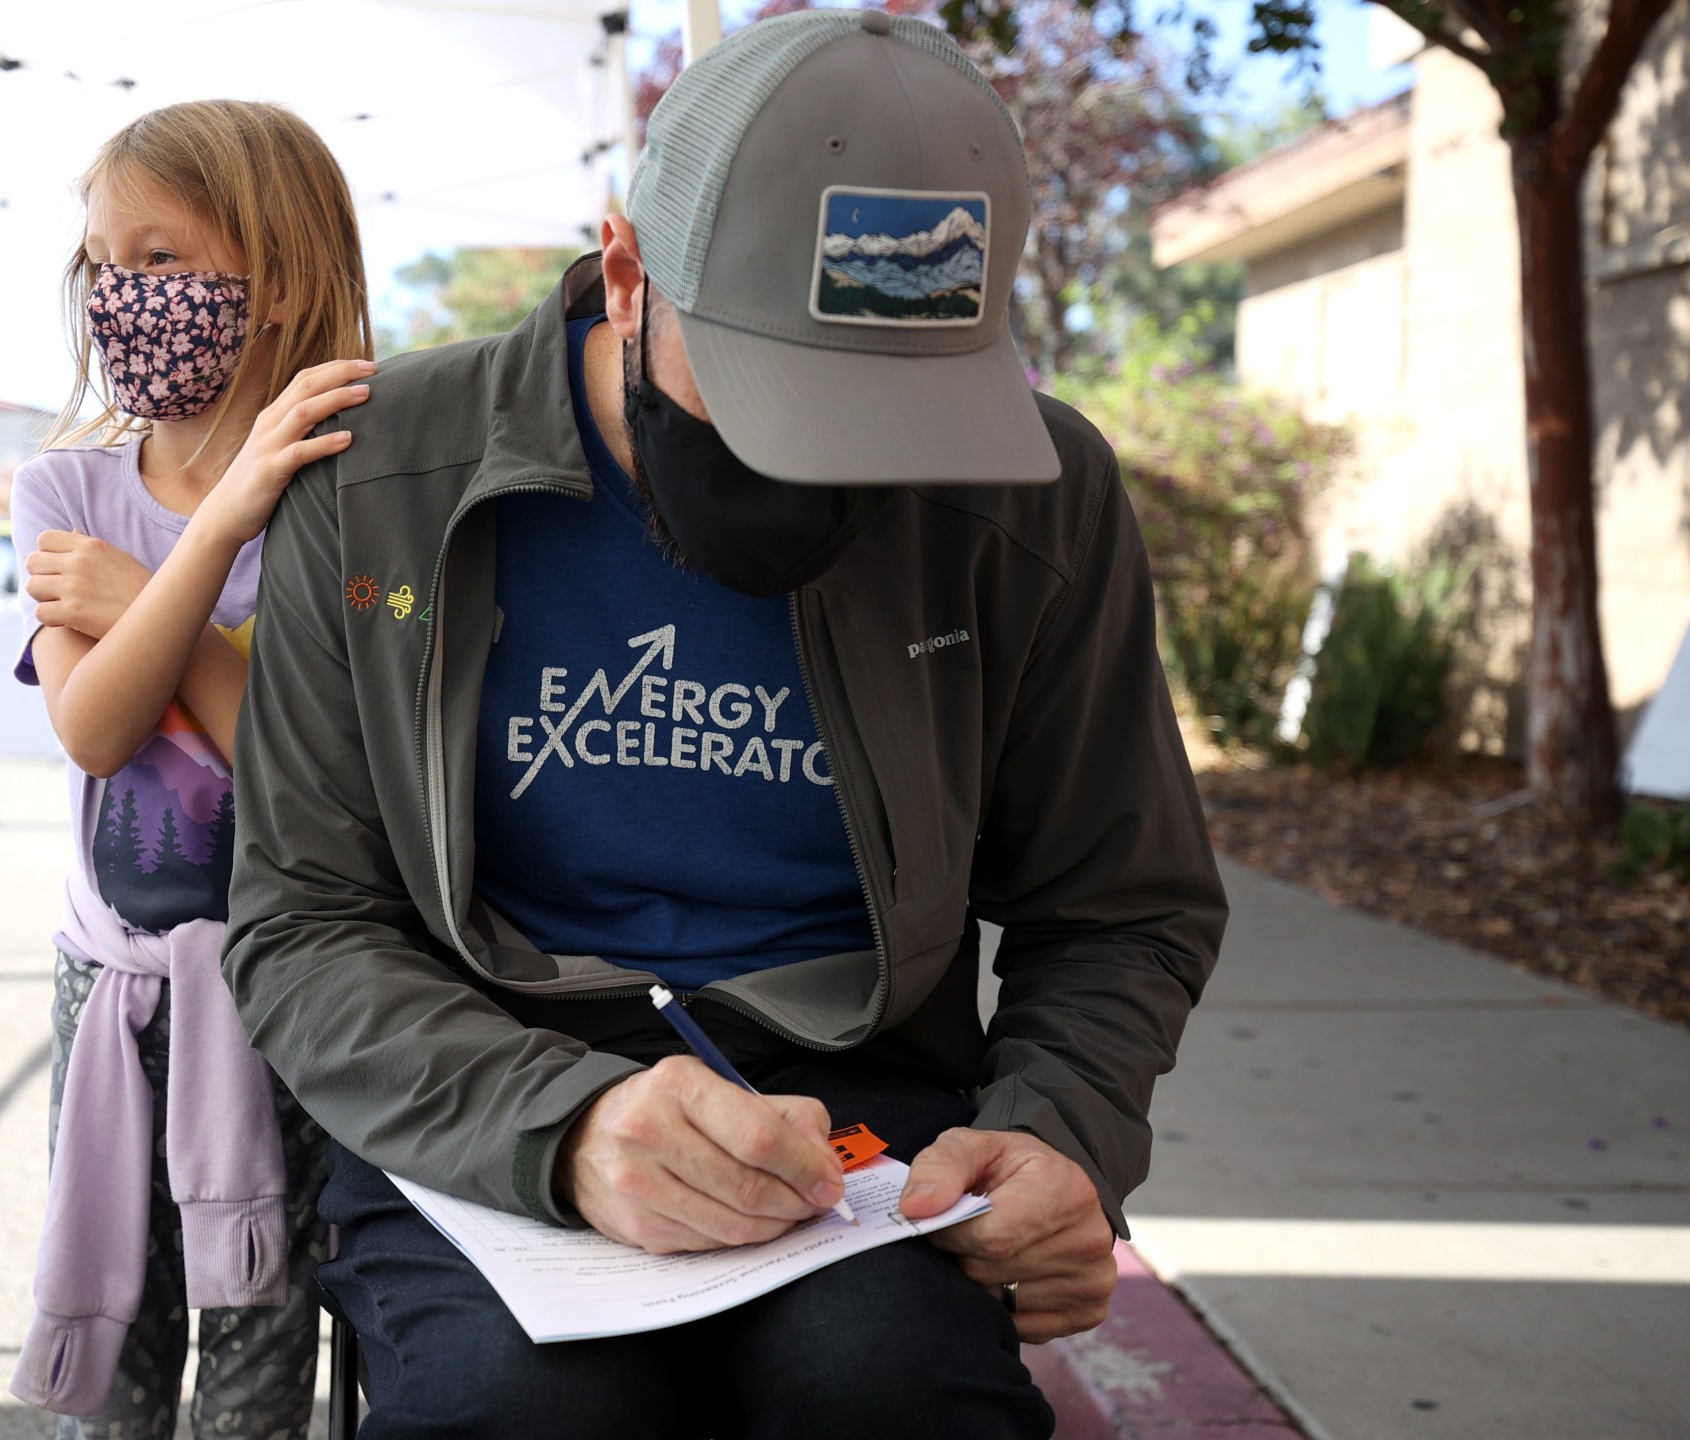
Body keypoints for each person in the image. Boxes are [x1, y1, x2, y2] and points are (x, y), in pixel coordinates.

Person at [222, 12, 1227, 1438]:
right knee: (528, 1410)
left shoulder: (1035, 497)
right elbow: (300, 919)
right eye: (774, 404)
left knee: (890, 1394)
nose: (827, 482)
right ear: (627, 273)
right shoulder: (378, 476)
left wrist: (1064, 1129)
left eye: (890, 422)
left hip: (861, 1107)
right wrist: (555, 1131)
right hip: (466, 1076)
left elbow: (1122, 906)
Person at [3, 99, 376, 1439]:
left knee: (264, 1362)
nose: (124, 296)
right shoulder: (66, 495)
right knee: (123, 1341)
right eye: (107, 264)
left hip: (288, 992)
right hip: (110, 988)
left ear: (274, 280)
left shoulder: (354, 494)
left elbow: (318, 767)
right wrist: (213, 534)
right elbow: (97, 729)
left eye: (161, 261)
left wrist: (142, 594)